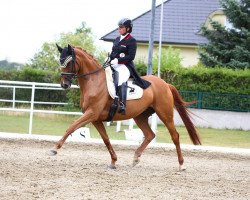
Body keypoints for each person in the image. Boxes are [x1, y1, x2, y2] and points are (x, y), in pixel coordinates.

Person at [109, 18, 151, 115]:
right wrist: (109, 59)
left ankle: (122, 104)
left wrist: (118, 60)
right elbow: (113, 52)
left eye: (121, 27)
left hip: (125, 66)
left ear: (128, 29)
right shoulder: (116, 39)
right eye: (118, 27)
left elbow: (131, 56)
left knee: (121, 79)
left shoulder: (132, 41)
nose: (119, 29)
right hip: (114, 64)